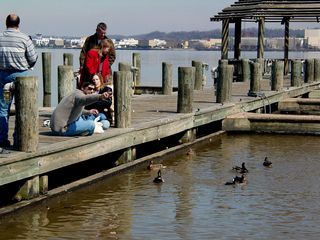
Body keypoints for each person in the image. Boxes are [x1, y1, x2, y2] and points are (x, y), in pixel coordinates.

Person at [0, 14, 38, 148]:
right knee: (22, 107)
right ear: (18, 24)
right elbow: (33, 58)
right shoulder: (25, 38)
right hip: (22, 77)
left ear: (6, 23)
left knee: (3, 108)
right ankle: (18, 138)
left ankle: (2, 138)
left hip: (3, 77)